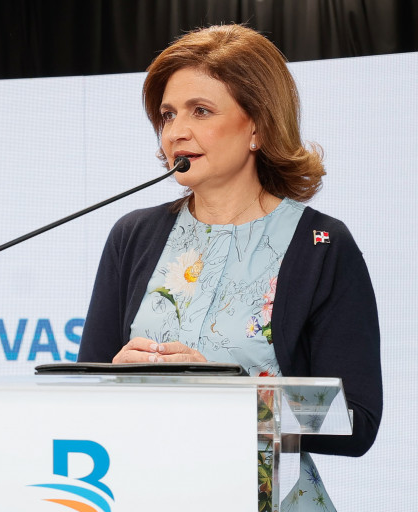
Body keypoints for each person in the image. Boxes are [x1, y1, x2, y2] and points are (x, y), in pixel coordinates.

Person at [77, 24, 382, 511]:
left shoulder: (321, 245)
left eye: (200, 111)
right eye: (168, 114)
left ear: (257, 126)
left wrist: (230, 394)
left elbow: (356, 421)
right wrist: (112, 382)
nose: (176, 131)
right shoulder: (134, 235)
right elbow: (81, 392)